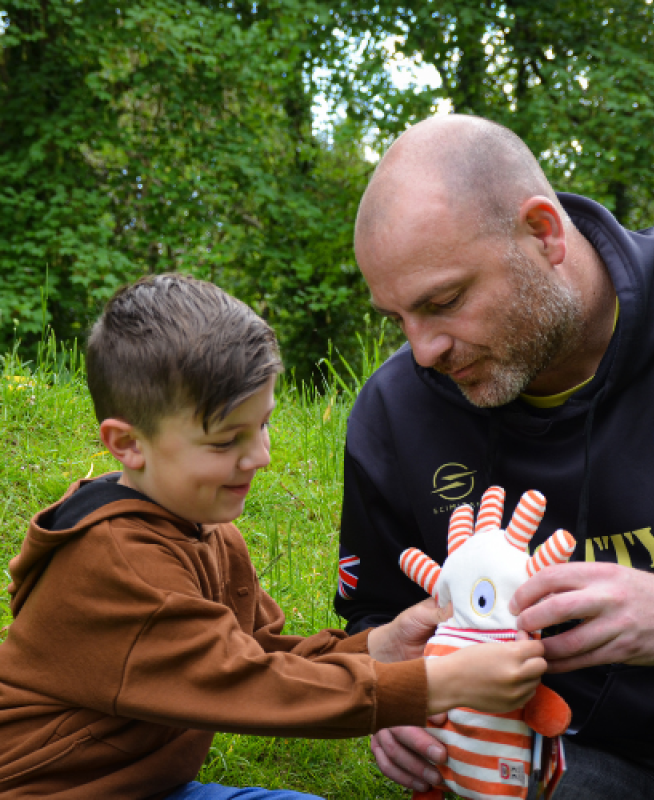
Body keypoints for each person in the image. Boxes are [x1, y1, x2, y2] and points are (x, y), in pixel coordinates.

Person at [334, 114, 654, 798]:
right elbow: (377, 613)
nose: (424, 348)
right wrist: (397, 700)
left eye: (444, 301)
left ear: (543, 233)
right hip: (559, 754)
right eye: (398, 318)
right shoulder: (394, 412)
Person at [0, 274, 549, 800]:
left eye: (262, 424)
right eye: (224, 441)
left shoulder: (205, 528)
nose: (259, 456)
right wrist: (434, 685)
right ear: (128, 443)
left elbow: (256, 652)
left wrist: (382, 646)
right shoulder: (114, 562)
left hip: (146, 785)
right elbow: (247, 684)